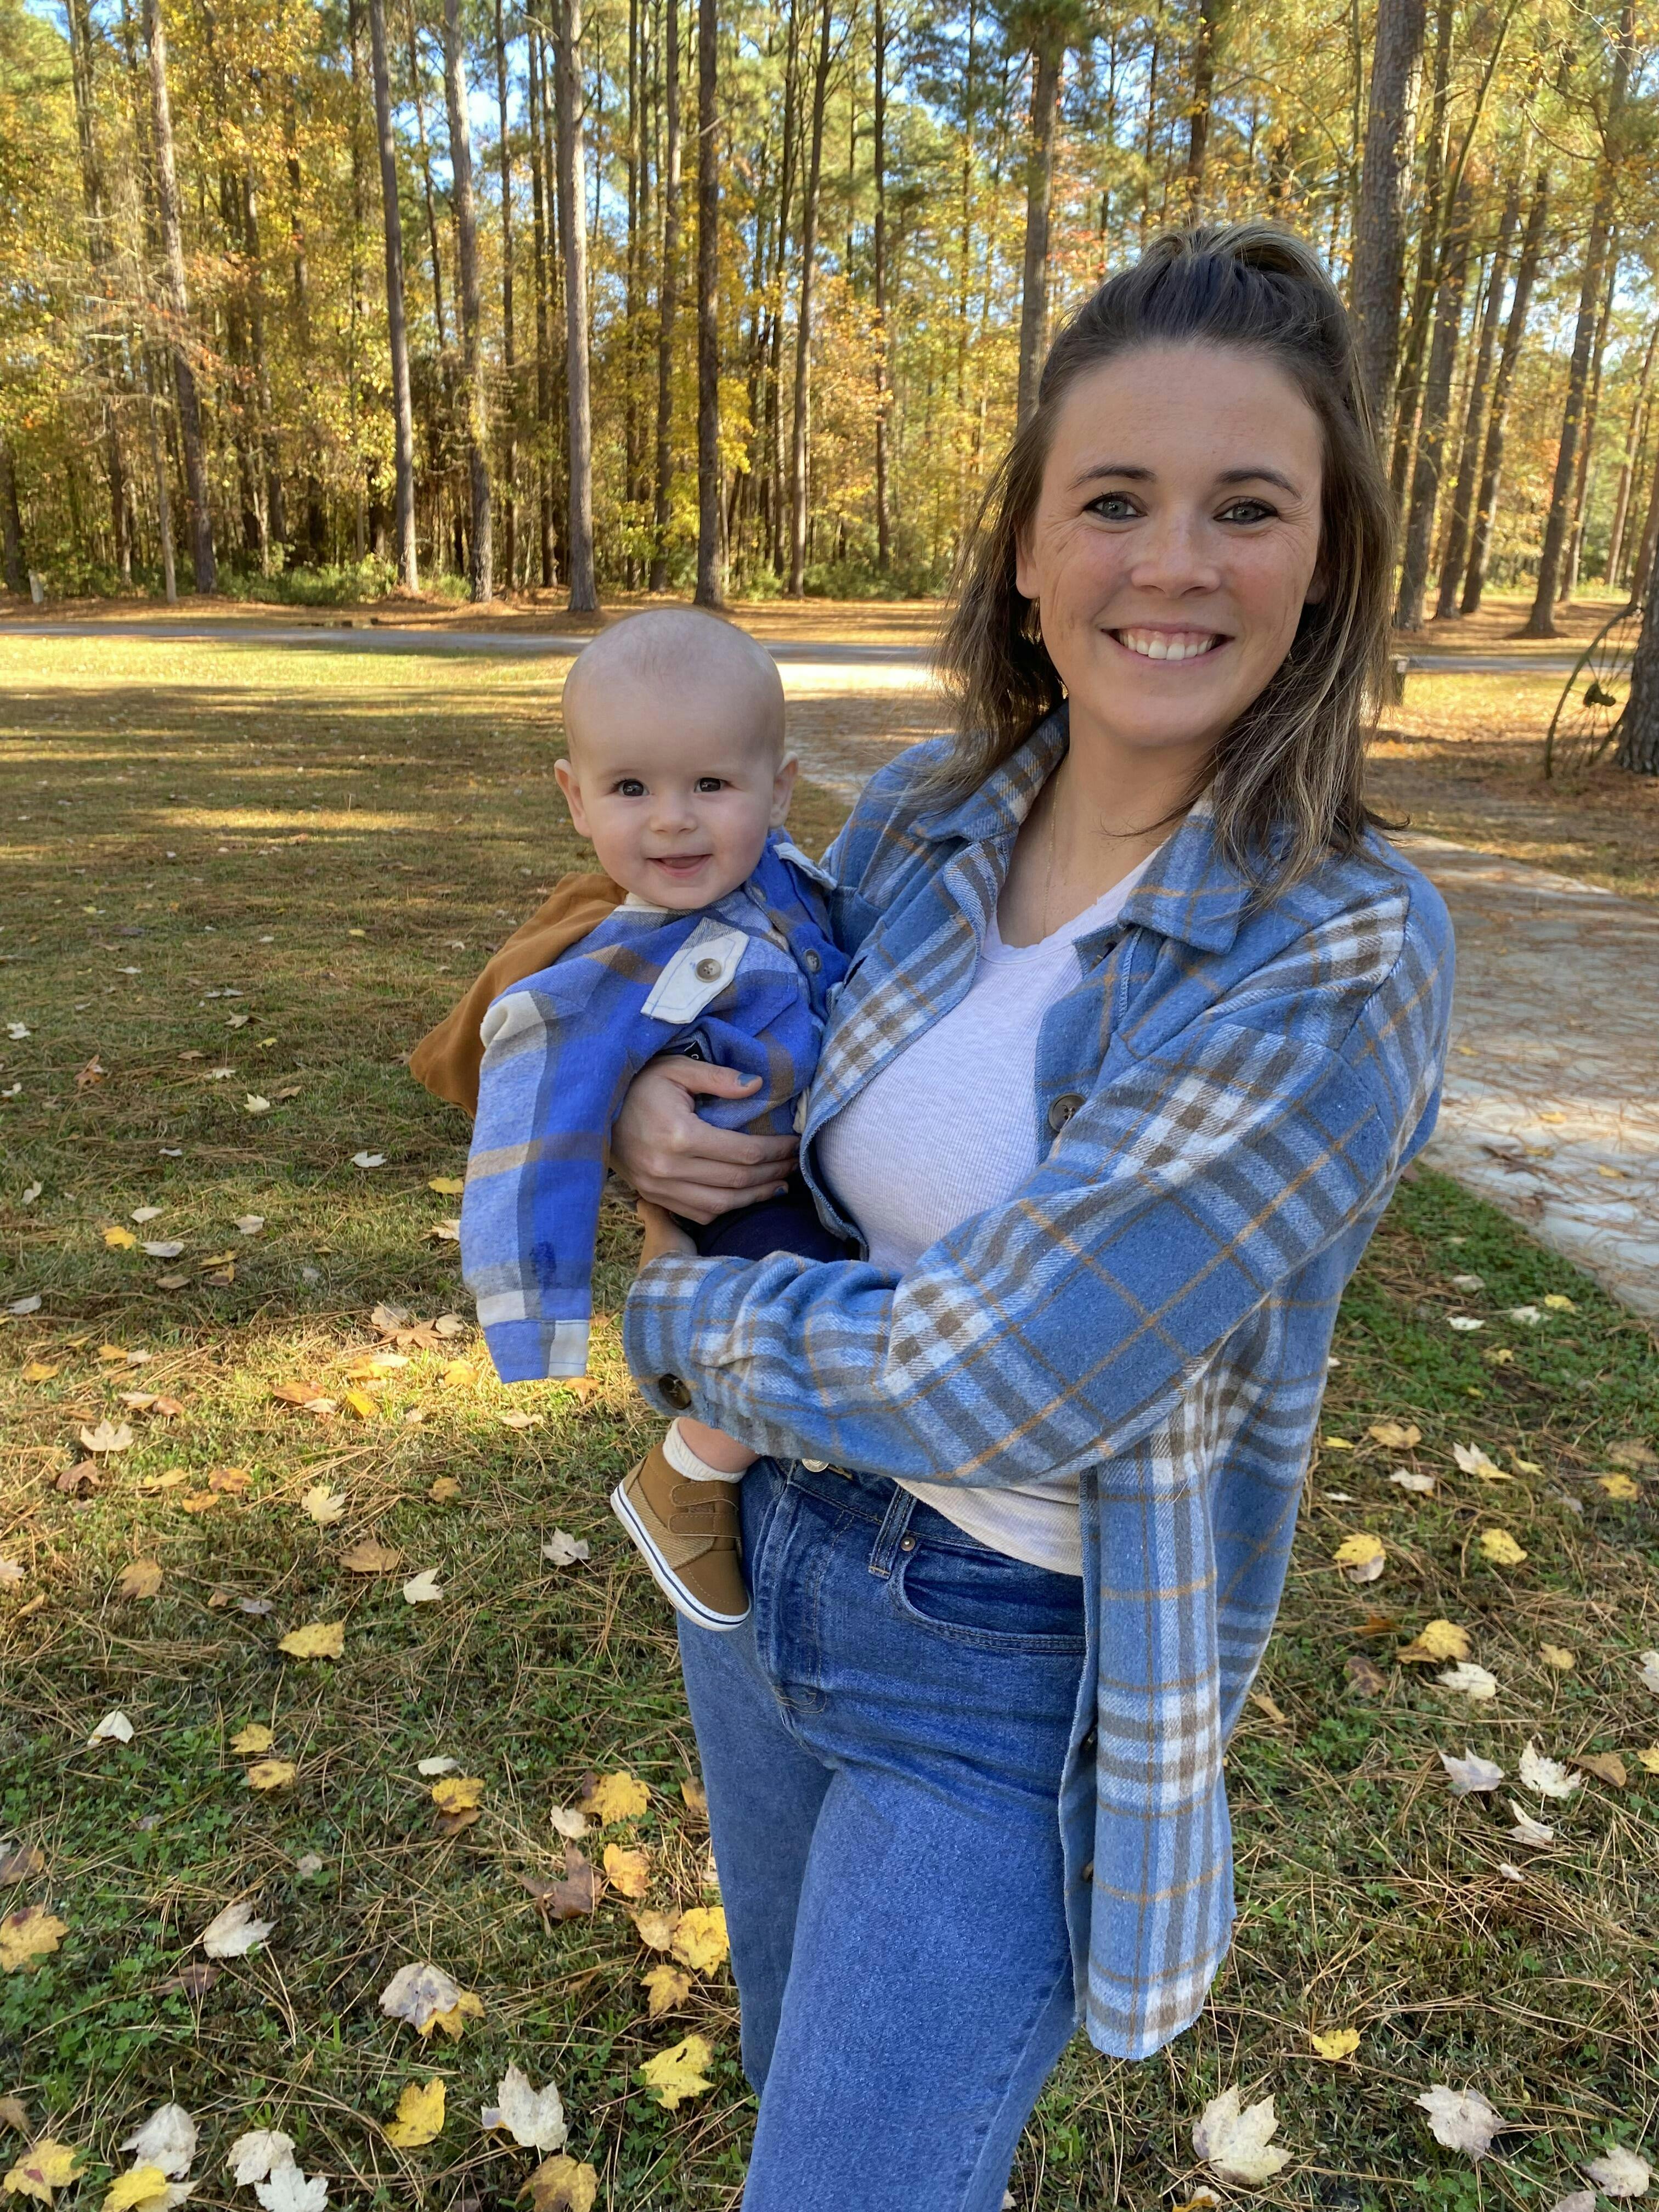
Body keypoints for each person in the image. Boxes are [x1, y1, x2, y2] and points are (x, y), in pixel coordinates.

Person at [607, 224, 1454, 2212]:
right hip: (762, 1559)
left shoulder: (1342, 952)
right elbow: (734, 1025)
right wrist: (650, 1106)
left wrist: (675, 1322)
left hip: (1002, 1664)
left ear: (1326, 560)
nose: (1175, 564)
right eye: (1115, 501)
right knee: (813, 2104)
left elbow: (1018, 1372)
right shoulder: (925, 815)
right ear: (1023, 550)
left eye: (1247, 507)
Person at [453, 608, 849, 1633]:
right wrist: (534, 1315)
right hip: (744, 1197)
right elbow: (530, 1127)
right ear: (575, 798)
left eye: (711, 785)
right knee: (809, 1310)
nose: (673, 822)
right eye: (631, 788)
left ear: (779, 790)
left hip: (810, 1172)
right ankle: (687, 1477)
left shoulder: (785, 881)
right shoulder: (609, 967)